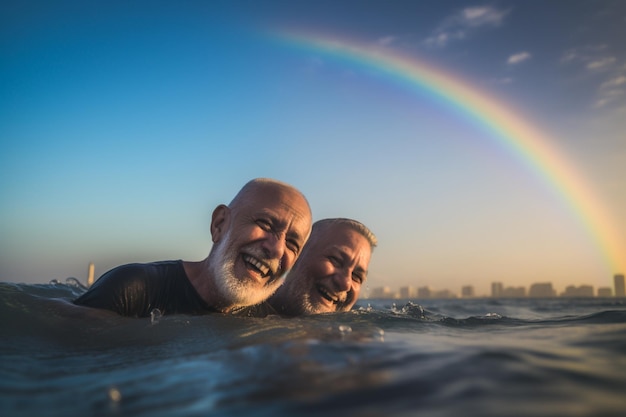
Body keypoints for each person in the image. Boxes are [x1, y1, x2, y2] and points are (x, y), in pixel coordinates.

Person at [73, 178, 312, 317]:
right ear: (219, 224)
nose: (277, 249)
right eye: (265, 224)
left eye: (292, 243)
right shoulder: (134, 289)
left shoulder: (268, 326)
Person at [243, 218, 376, 317]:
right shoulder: (237, 310)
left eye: (357, 276)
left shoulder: (352, 344)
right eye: (336, 260)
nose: (345, 283)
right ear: (296, 255)